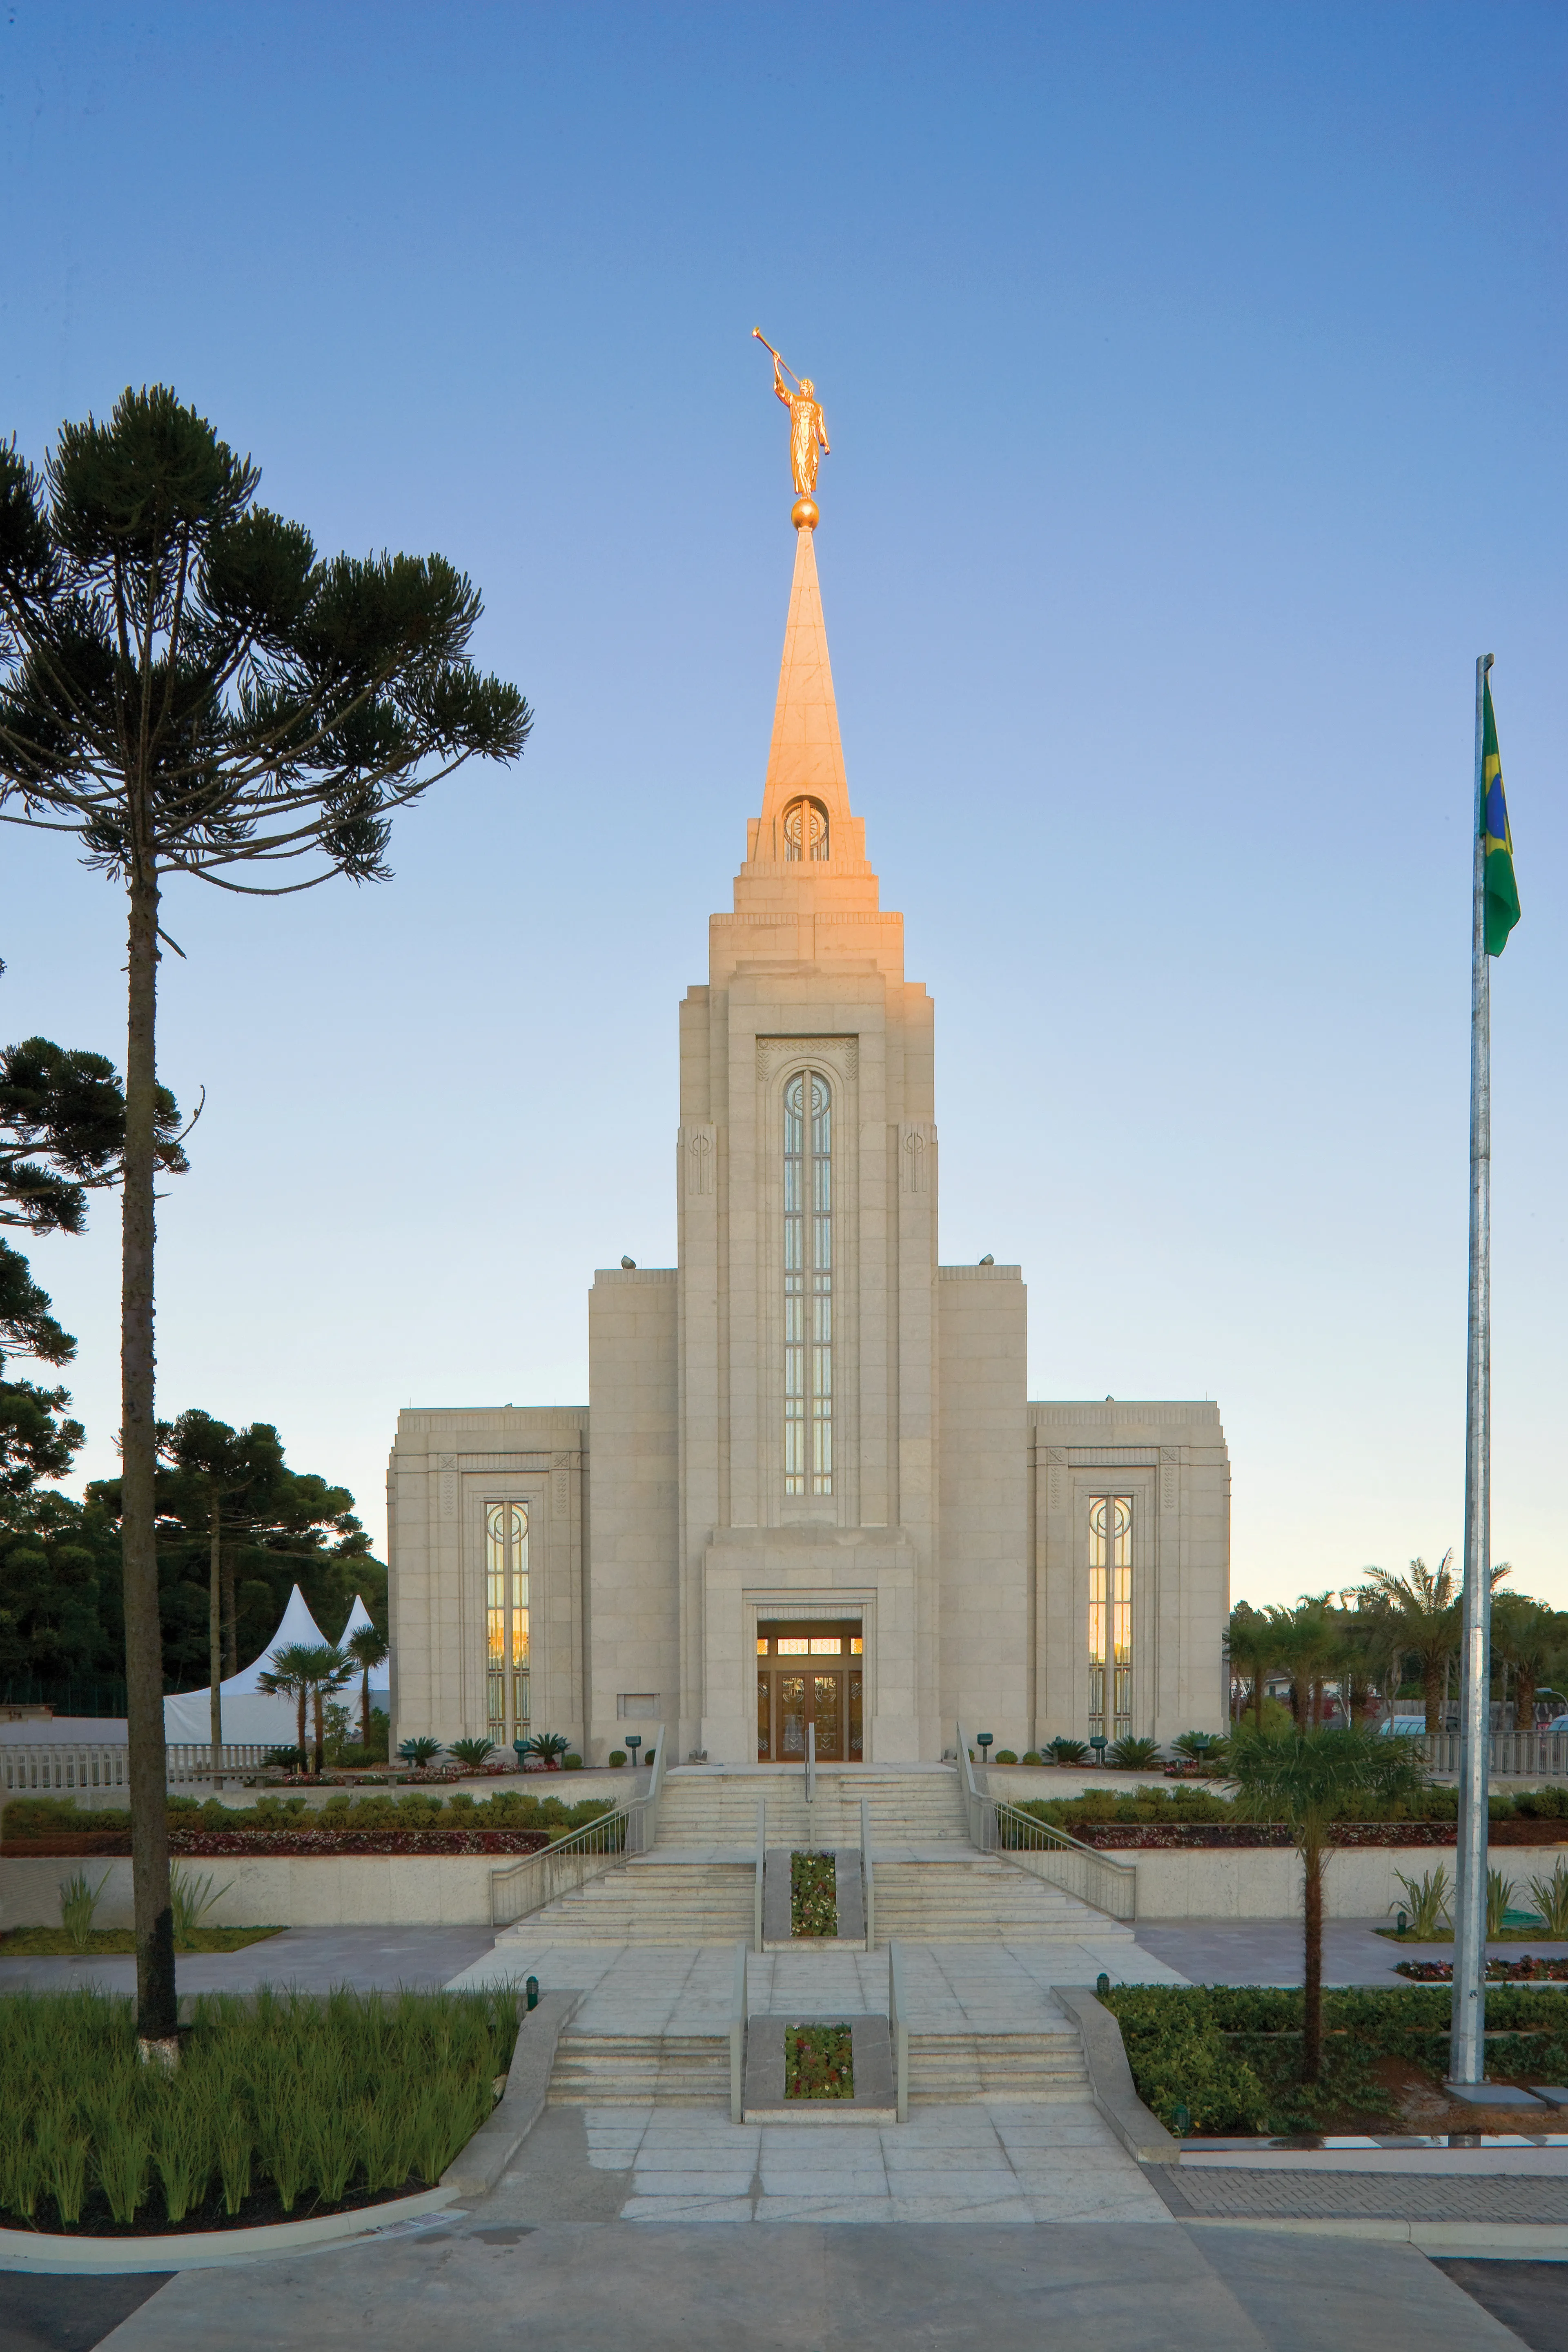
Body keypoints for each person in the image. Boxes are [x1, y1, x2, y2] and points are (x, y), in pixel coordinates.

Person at [774, 356, 829, 497]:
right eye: (802, 384)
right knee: (800, 461)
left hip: (811, 434)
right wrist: (776, 364)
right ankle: (805, 493)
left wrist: (826, 443)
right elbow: (781, 389)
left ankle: (808, 491)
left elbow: (821, 426)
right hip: (799, 433)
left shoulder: (818, 407)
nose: (803, 385)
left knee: (813, 462)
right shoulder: (794, 400)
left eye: (806, 384)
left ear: (811, 390)